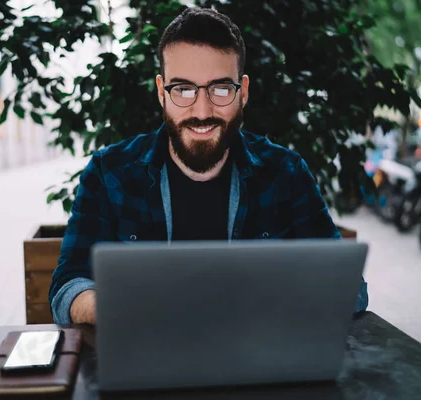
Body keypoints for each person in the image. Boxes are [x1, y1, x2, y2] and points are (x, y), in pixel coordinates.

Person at [49, 7, 369, 324]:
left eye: (220, 89)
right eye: (184, 89)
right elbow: (67, 287)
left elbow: (351, 289)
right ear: (162, 92)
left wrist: (272, 303)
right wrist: (120, 308)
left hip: (260, 363)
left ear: (242, 92)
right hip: (147, 360)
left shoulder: (286, 173)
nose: (202, 111)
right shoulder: (110, 172)